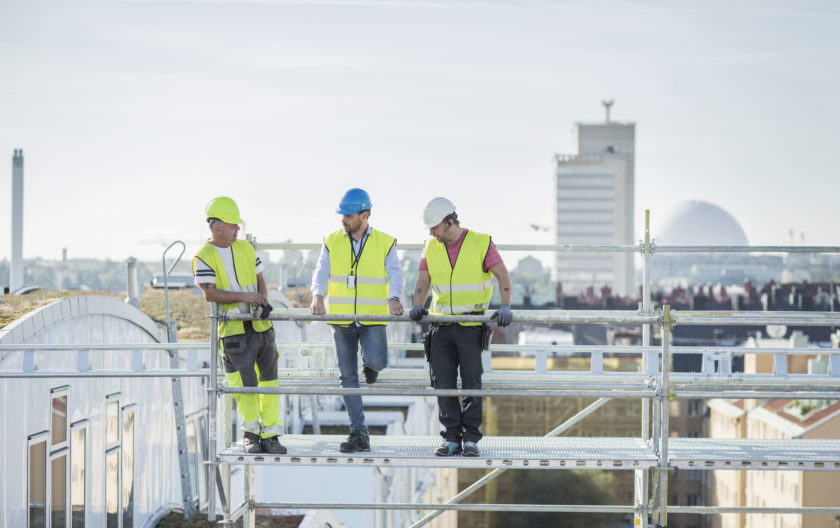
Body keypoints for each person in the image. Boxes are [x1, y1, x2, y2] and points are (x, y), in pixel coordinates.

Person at [409, 197, 512, 457]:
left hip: (471, 324)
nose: (431, 233)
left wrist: (506, 305)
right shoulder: (430, 246)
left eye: (434, 227)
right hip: (440, 326)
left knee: (470, 384)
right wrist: (418, 305)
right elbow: (422, 280)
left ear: (450, 222)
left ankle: (471, 441)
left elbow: (502, 275)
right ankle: (451, 439)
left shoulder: (481, 242)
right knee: (442, 384)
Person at [310, 188, 404, 453]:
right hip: (341, 319)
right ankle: (359, 433)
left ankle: (370, 363)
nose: (343, 220)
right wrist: (317, 295)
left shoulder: (385, 242)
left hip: (372, 317)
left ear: (365, 215)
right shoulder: (331, 240)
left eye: (349, 216)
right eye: (342, 215)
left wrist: (394, 297)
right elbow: (321, 270)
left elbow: (394, 272)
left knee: (377, 361)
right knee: (347, 377)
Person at [193, 196, 286, 455]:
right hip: (234, 331)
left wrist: (262, 299)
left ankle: (271, 435)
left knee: (270, 382)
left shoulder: (245, 248)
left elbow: (260, 279)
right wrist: (247, 297)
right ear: (217, 226)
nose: (238, 229)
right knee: (245, 387)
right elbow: (210, 294)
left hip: (260, 327)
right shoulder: (204, 256)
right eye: (233, 225)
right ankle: (250, 434)